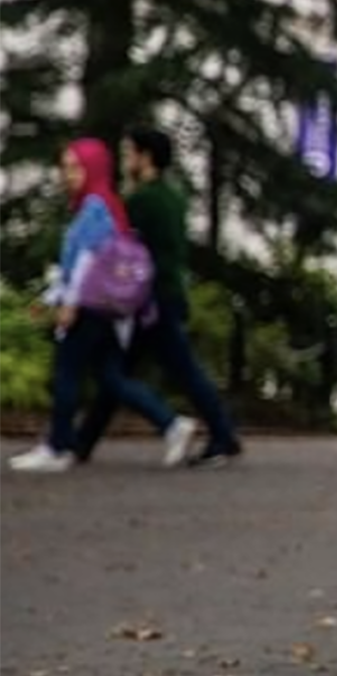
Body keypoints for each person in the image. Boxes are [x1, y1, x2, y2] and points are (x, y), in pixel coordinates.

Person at [10, 139, 196, 474]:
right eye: (64, 167)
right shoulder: (104, 204)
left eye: (74, 167)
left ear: (93, 169)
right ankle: (170, 424)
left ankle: (58, 447)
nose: (66, 175)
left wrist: (69, 302)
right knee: (111, 377)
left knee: (66, 372)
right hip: (106, 306)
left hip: (90, 304)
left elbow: (88, 259)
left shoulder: (95, 207)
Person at [69, 126, 243, 467]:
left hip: (149, 301)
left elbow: (122, 247)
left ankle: (220, 435)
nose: (126, 160)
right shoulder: (172, 195)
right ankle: (84, 440)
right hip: (164, 295)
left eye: (130, 153)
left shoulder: (143, 199)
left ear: (145, 157)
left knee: (166, 370)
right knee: (117, 370)